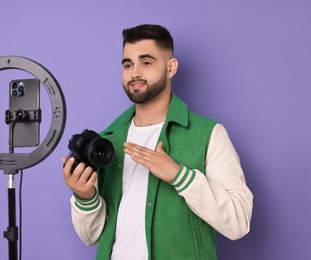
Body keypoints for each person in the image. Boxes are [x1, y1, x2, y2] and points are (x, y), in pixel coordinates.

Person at [62, 24, 253, 260]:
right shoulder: (106, 141)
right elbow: (91, 237)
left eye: (147, 62)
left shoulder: (209, 133)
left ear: (170, 67)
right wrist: (84, 196)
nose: (135, 73)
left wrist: (179, 175)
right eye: (128, 64)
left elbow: (239, 222)